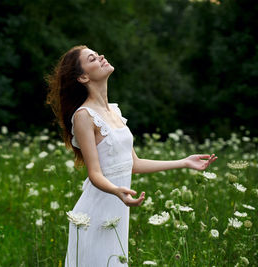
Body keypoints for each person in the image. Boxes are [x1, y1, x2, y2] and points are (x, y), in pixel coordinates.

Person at [46, 45, 217, 267]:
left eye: (98, 54)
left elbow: (133, 163)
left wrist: (184, 162)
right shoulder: (84, 116)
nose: (101, 57)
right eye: (93, 58)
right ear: (83, 77)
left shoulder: (114, 112)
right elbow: (95, 173)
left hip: (117, 212)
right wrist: (117, 191)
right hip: (94, 214)